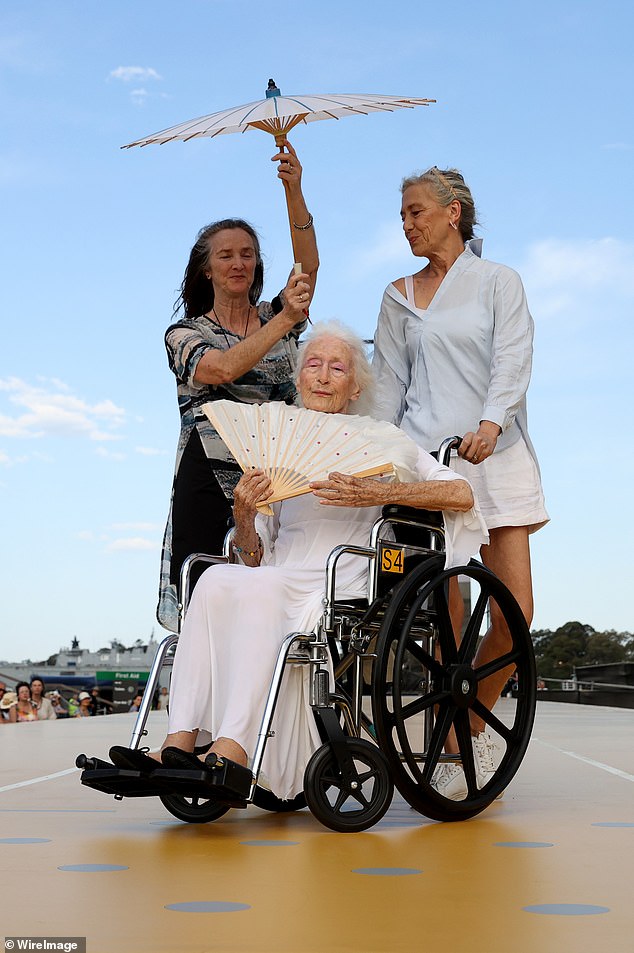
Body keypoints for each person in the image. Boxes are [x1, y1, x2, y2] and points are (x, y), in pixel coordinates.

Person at [110, 323, 487, 800]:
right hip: (276, 571)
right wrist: (244, 515)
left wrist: (379, 492)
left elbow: (460, 492)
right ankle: (175, 744)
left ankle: (232, 751)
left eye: (337, 367)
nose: (324, 376)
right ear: (299, 376)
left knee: (263, 587)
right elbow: (252, 556)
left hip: (340, 574)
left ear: (355, 387)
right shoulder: (275, 441)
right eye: (313, 364)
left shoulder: (384, 439)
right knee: (212, 582)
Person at [371, 165, 549, 797]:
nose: (407, 224)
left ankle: (466, 714)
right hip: (429, 459)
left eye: (417, 212)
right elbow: (387, 383)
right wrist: (375, 453)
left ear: (453, 213)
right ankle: (449, 731)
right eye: (403, 215)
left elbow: (513, 356)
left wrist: (492, 422)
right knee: (444, 610)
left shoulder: (499, 282)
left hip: (493, 451)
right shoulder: (397, 295)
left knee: (516, 609)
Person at [158, 141, 319, 633]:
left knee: (270, 599)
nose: (238, 263)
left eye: (247, 254)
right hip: (208, 475)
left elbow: (307, 268)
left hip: (277, 475)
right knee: (203, 598)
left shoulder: (279, 316)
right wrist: (286, 320)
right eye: (226, 255)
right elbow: (222, 369)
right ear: (206, 268)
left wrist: (294, 188)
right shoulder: (185, 334)